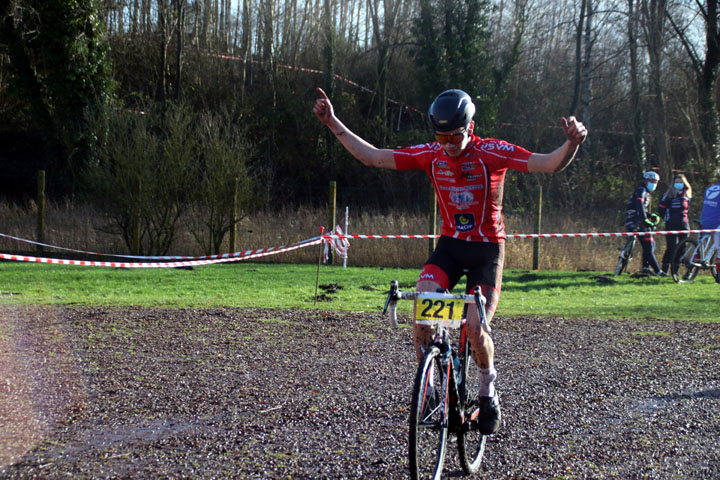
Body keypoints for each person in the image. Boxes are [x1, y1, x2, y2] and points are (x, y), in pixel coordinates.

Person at [313, 87, 587, 434]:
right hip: (451, 247)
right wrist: (332, 122)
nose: (447, 144)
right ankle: (429, 388)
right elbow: (373, 156)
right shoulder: (432, 154)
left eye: (454, 136)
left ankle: (488, 388)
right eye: (440, 136)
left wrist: (571, 144)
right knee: (423, 307)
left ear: (470, 128)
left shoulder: (492, 152)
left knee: (473, 327)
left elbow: (548, 163)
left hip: (487, 250)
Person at [624, 171, 665, 276]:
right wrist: (644, 219)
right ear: (646, 181)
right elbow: (638, 205)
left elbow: (642, 208)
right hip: (635, 221)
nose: (654, 184)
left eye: (656, 182)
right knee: (648, 245)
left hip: (637, 219)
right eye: (652, 181)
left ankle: (646, 268)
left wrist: (651, 215)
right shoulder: (641, 190)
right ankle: (658, 271)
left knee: (651, 244)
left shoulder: (646, 193)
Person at [657, 173, 692, 275]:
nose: (679, 184)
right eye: (677, 182)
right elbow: (661, 209)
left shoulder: (687, 195)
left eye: (681, 182)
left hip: (684, 224)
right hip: (670, 223)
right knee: (671, 247)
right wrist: (664, 220)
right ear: (673, 184)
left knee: (682, 247)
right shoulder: (668, 195)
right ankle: (664, 270)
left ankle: (675, 272)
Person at [699, 168, 720, 283]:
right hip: (716, 221)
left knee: (702, 241)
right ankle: (719, 275)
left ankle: (696, 258)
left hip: (704, 219)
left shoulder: (710, 188)